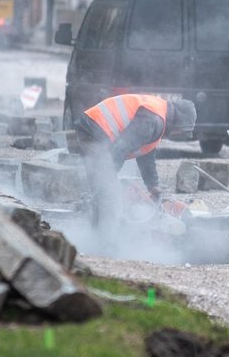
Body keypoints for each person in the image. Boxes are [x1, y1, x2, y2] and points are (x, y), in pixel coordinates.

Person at [73, 94, 197, 245]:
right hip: (94, 131)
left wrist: (153, 186)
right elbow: (122, 146)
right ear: (178, 122)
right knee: (111, 197)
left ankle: (93, 238)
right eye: (182, 132)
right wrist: (110, 174)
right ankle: (105, 248)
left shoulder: (159, 119)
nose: (179, 136)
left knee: (103, 194)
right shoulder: (153, 119)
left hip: (94, 128)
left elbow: (145, 154)